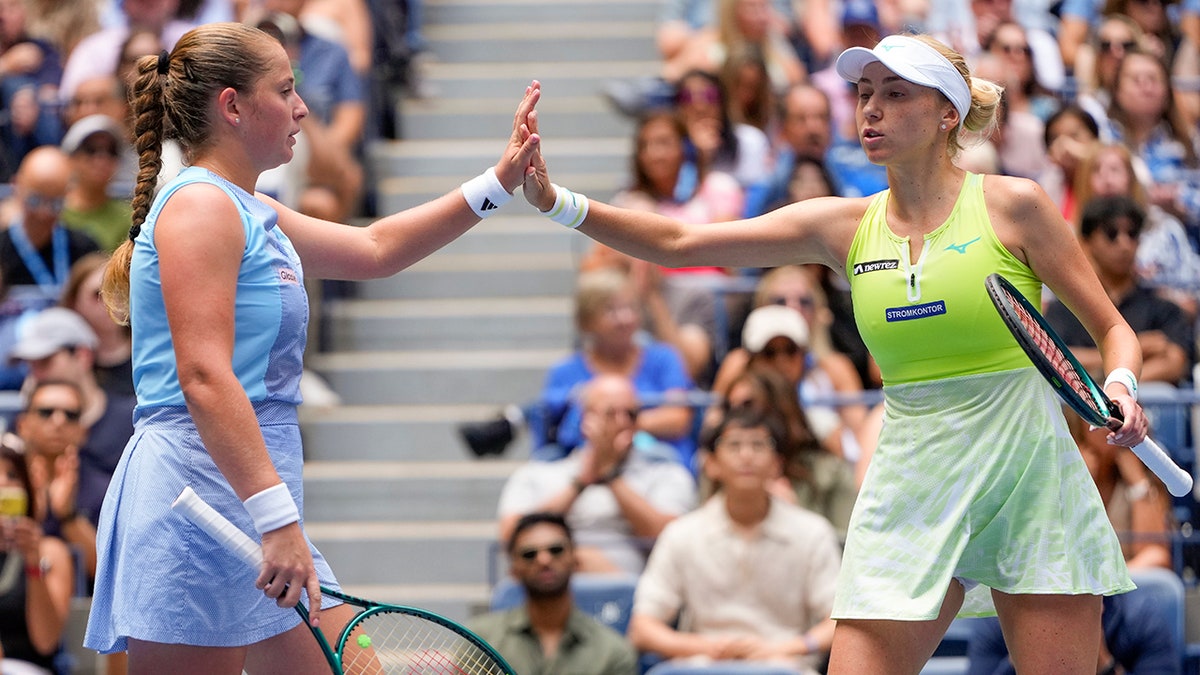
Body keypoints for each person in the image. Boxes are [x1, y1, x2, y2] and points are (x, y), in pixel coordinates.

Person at [520, 32, 1152, 673]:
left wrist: (1122, 385)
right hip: (914, 479)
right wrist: (557, 202)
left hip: (1027, 472)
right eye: (864, 93)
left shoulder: (1014, 206)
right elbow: (683, 240)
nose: (870, 108)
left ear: (947, 115)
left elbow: (1113, 329)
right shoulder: (842, 225)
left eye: (895, 93)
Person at [80, 21, 541, 672]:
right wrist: (276, 519)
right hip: (198, 501)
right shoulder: (200, 208)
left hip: (254, 499)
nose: (302, 107)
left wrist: (498, 182)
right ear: (233, 106)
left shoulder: (249, 207)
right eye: (286, 88)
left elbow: (377, 249)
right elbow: (205, 377)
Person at [628, 408, 840, 673]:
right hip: (703, 664)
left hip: (785, 664)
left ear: (777, 464)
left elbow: (838, 621)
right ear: (711, 464)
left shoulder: (812, 532)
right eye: (734, 445)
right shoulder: (681, 533)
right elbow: (643, 628)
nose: (746, 455)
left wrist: (786, 648)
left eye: (759, 445)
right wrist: (704, 647)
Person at [496, 374, 697, 576]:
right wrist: (580, 483)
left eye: (631, 414)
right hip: (550, 588)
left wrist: (611, 475)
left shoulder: (666, 473)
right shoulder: (538, 473)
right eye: (611, 413)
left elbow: (671, 539)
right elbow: (511, 538)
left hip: (636, 595)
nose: (623, 422)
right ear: (585, 418)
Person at [529, 268, 697, 467]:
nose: (625, 318)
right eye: (611, 310)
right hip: (584, 467)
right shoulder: (564, 372)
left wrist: (612, 425)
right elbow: (556, 431)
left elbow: (678, 419)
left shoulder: (664, 359)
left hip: (657, 469)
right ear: (587, 320)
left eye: (631, 308)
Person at [1046, 195, 1194, 385]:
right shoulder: (1064, 308)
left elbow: (1175, 362)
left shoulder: (1164, 309)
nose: (1124, 244)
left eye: (1132, 234)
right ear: (1087, 242)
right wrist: (1136, 350)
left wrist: (1112, 386)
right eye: (1111, 233)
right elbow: (1053, 360)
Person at [467, 512, 639, 675]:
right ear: (514, 569)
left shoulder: (613, 651)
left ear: (575, 558)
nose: (544, 560)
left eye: (556, 550)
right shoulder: (480, 639)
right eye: (529, 554)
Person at [0, 441, 74, 675]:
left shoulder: (51, 551)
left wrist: (33, 560)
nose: (3, 482)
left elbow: (46, 641)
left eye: (13, 474)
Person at [12, 379, 97, 580]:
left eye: (71, 415)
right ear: (22, 425)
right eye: (46, 412)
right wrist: (34, 510)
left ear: (84, 432)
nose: (58, 421)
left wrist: (68, 516)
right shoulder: (4, 481)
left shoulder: (106, 489)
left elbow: (110, 574)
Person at [59, 114, 135, 253]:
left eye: (111, 151)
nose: (102, 159)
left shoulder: (129, 217)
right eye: (91, 150)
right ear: (71, 158)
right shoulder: (53, 212)